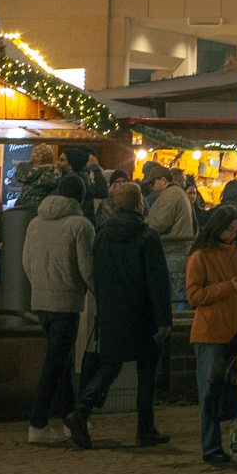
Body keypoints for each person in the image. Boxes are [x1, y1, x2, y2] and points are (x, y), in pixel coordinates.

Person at [67, 180, 171, 449]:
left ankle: (81, 410)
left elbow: (98, 276)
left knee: (110, 365)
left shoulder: (101, 235)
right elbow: (158, 282)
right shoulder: (148, 237)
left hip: (113, 312)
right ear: (140, 204)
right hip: (143, 314)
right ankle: (145, 428)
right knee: (147, 371)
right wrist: (164, 320)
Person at [19, 173, 94, 444]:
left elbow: (26, 262)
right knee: (55, 365)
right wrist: (96, 291)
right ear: (80, 198)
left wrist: (40, 285)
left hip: (41, 301)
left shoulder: (35, 222)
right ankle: (37, 424)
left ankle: (69, 420)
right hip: (66, 302)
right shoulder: (81, 225)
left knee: (61, 363)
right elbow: (86, 268)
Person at [186, 204, 237, 465]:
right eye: (229, 229)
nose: (232, 235)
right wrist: (226, 288)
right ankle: (211, 446)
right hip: (209, 335)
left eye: (236, 231)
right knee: (210, 392)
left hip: (236, 333)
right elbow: (194, 296)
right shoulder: (200, 257)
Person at [139, 161, 196, 302]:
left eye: (152, 184)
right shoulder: (175, 193)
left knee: (171, 297)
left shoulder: (170, 195)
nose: (151, 188)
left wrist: (142, 224)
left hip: (173, 253)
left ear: (163, 180)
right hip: (176, 252)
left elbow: (158, 224)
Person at [15, 144, 61, 211]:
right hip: (39, 211)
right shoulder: (49, 176)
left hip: (22, 210)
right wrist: (56, 169)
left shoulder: (26, 172)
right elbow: (57, 180)